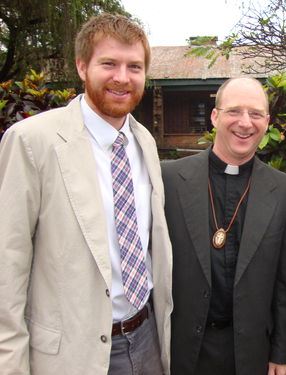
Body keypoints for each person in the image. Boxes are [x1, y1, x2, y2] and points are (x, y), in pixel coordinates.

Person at [0, 13, 173, 375]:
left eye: (134, 66)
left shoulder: (144, 142)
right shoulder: (32, 142)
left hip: (147, 341)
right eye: (108, 63)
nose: (122, 78)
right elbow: (8, 264)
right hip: (71, 356)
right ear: (82, 66)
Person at [161, 77, 286, 375]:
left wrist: (282, 351)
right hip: (182, 349)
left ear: (267, 122)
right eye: (234, 111)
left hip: (250, 352)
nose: (245, 123)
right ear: (215, 116)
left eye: (256, 114)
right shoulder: (169, 180)